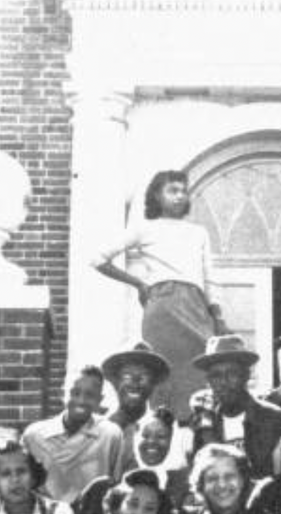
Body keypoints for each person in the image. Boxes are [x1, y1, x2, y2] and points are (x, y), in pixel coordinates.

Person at [92, 170, 227, 421]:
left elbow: (209, 277)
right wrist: (138, 284)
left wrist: (217, 316)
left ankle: (195, 430)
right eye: (172, 191)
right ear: (157, 195)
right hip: (162, 307)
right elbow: (98, 259)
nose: (179, 196)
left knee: (199, 370)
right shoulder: (145, 228)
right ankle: (162, 429)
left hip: (196, 307)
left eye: (182, 191)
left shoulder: (198, 232)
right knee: (162, 372)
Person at [189, 334, 281, 480]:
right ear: (209, 381)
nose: (224, 382)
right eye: (216, 376)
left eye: (232, 373)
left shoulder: (274, 418)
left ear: (246, 375)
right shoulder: (204, 425)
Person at [22, 365, 122, 505]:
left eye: (90, 395)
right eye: (74, 393)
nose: (81, 401)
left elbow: (116, 489)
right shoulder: (34, 435)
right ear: (62, 393)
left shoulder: (110, 435)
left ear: (100, 399)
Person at [101, 343, 172, 481]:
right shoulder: (100, 429)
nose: (135, 383)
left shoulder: (165, 429)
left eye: (144, 377)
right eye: (127, 377)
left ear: (153, 384)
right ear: (116, 383)